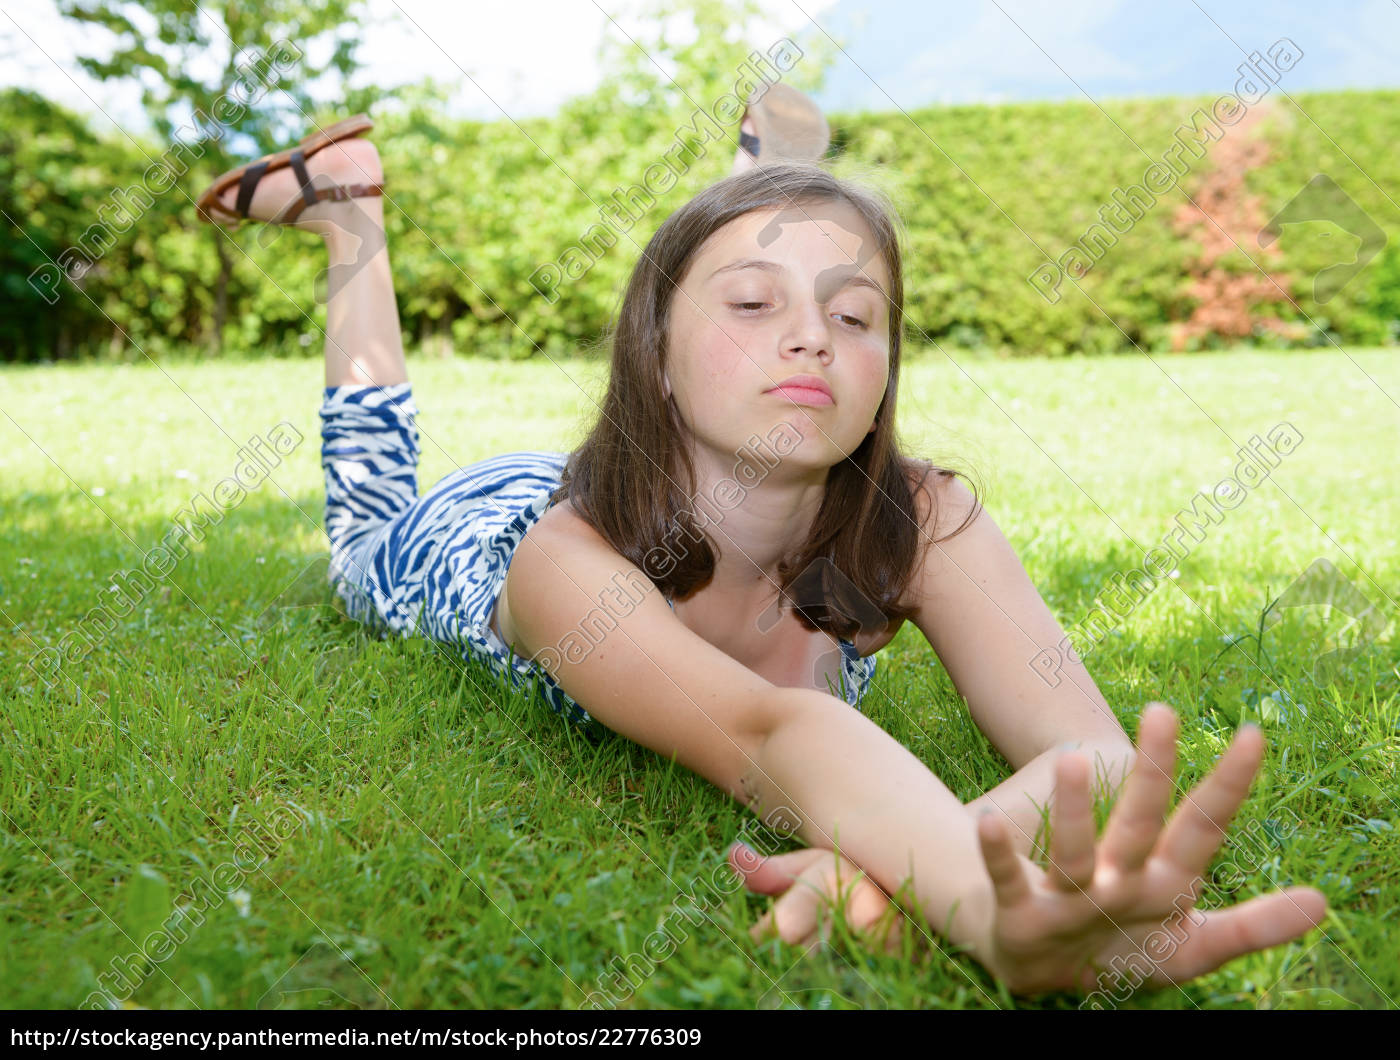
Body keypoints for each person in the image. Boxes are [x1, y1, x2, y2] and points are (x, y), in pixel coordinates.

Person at [196, 90, 1326, 999]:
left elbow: (1097, 759)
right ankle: (350, 213)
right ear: (655, 355)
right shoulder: (563, 568)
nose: (810, 338)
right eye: (751, 306)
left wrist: (872, 867)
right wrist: (979, 913)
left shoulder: (924, 514)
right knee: (358, 533)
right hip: (482, 530)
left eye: (852, 315)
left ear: (884, 369)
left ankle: (755, 197)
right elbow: (769, 733)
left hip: (672, 471)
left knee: (755, 267)